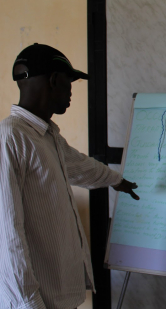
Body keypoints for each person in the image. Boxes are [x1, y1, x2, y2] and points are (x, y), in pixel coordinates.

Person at [0, 43, 139, 309]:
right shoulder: (10, 137)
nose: (71, 92)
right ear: (53, 80)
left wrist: (115, 180)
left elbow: (79, 166)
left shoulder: (46, 135)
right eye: (69, 82)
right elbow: (7, 236)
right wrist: (28, 304)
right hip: (36, 301)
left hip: (60, 295)